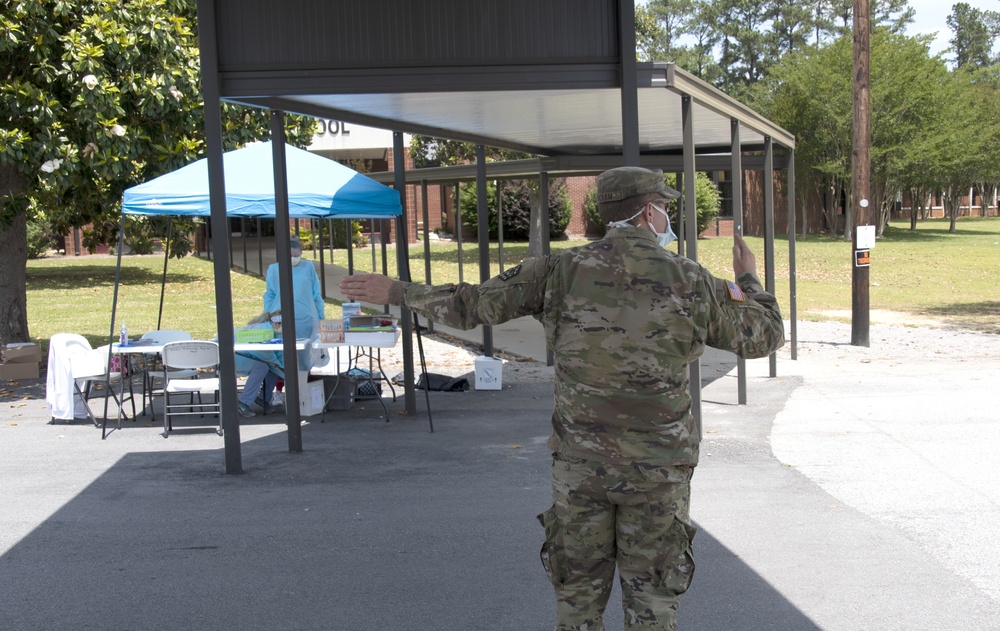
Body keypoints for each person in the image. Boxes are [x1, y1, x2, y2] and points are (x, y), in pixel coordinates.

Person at [339, 166, 785, 630]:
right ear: (648, 212)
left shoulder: (557, 270)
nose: (667, 215)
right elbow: (763, 335)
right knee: (653, 602)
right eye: (664, 207)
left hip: (581, 468)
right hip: (658, 470)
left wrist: (398, 291)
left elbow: (472, 305)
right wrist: (748, 279)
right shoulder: (690, 278)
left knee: (577, 602)